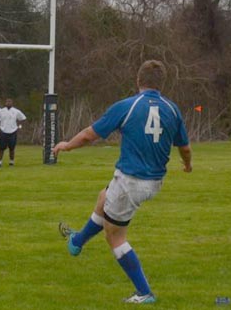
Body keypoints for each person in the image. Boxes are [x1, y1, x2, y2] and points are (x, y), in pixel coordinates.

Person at [54, 60, 192, 304]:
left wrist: (67, 145)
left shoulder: (127, 106)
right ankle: (77, 242)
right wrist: (187, 165)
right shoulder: (172, 109)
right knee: (104, 197)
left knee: (115, 236)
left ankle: (144, 293)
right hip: (154, 181)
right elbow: (185, 147)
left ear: (138, 80)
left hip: (131, 181)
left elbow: (89, 135)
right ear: (162, 83)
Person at [0, 98, 26, 167]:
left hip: (13, 132)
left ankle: (11, 162)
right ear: (5, 103)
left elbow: (23, 118)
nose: (8, 103)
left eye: (10, 102)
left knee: (12, 148)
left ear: (12, 103)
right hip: (3, 132)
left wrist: (19, 126)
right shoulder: (1, 111)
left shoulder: (16, 111)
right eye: (7, 102)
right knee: (1, 148)